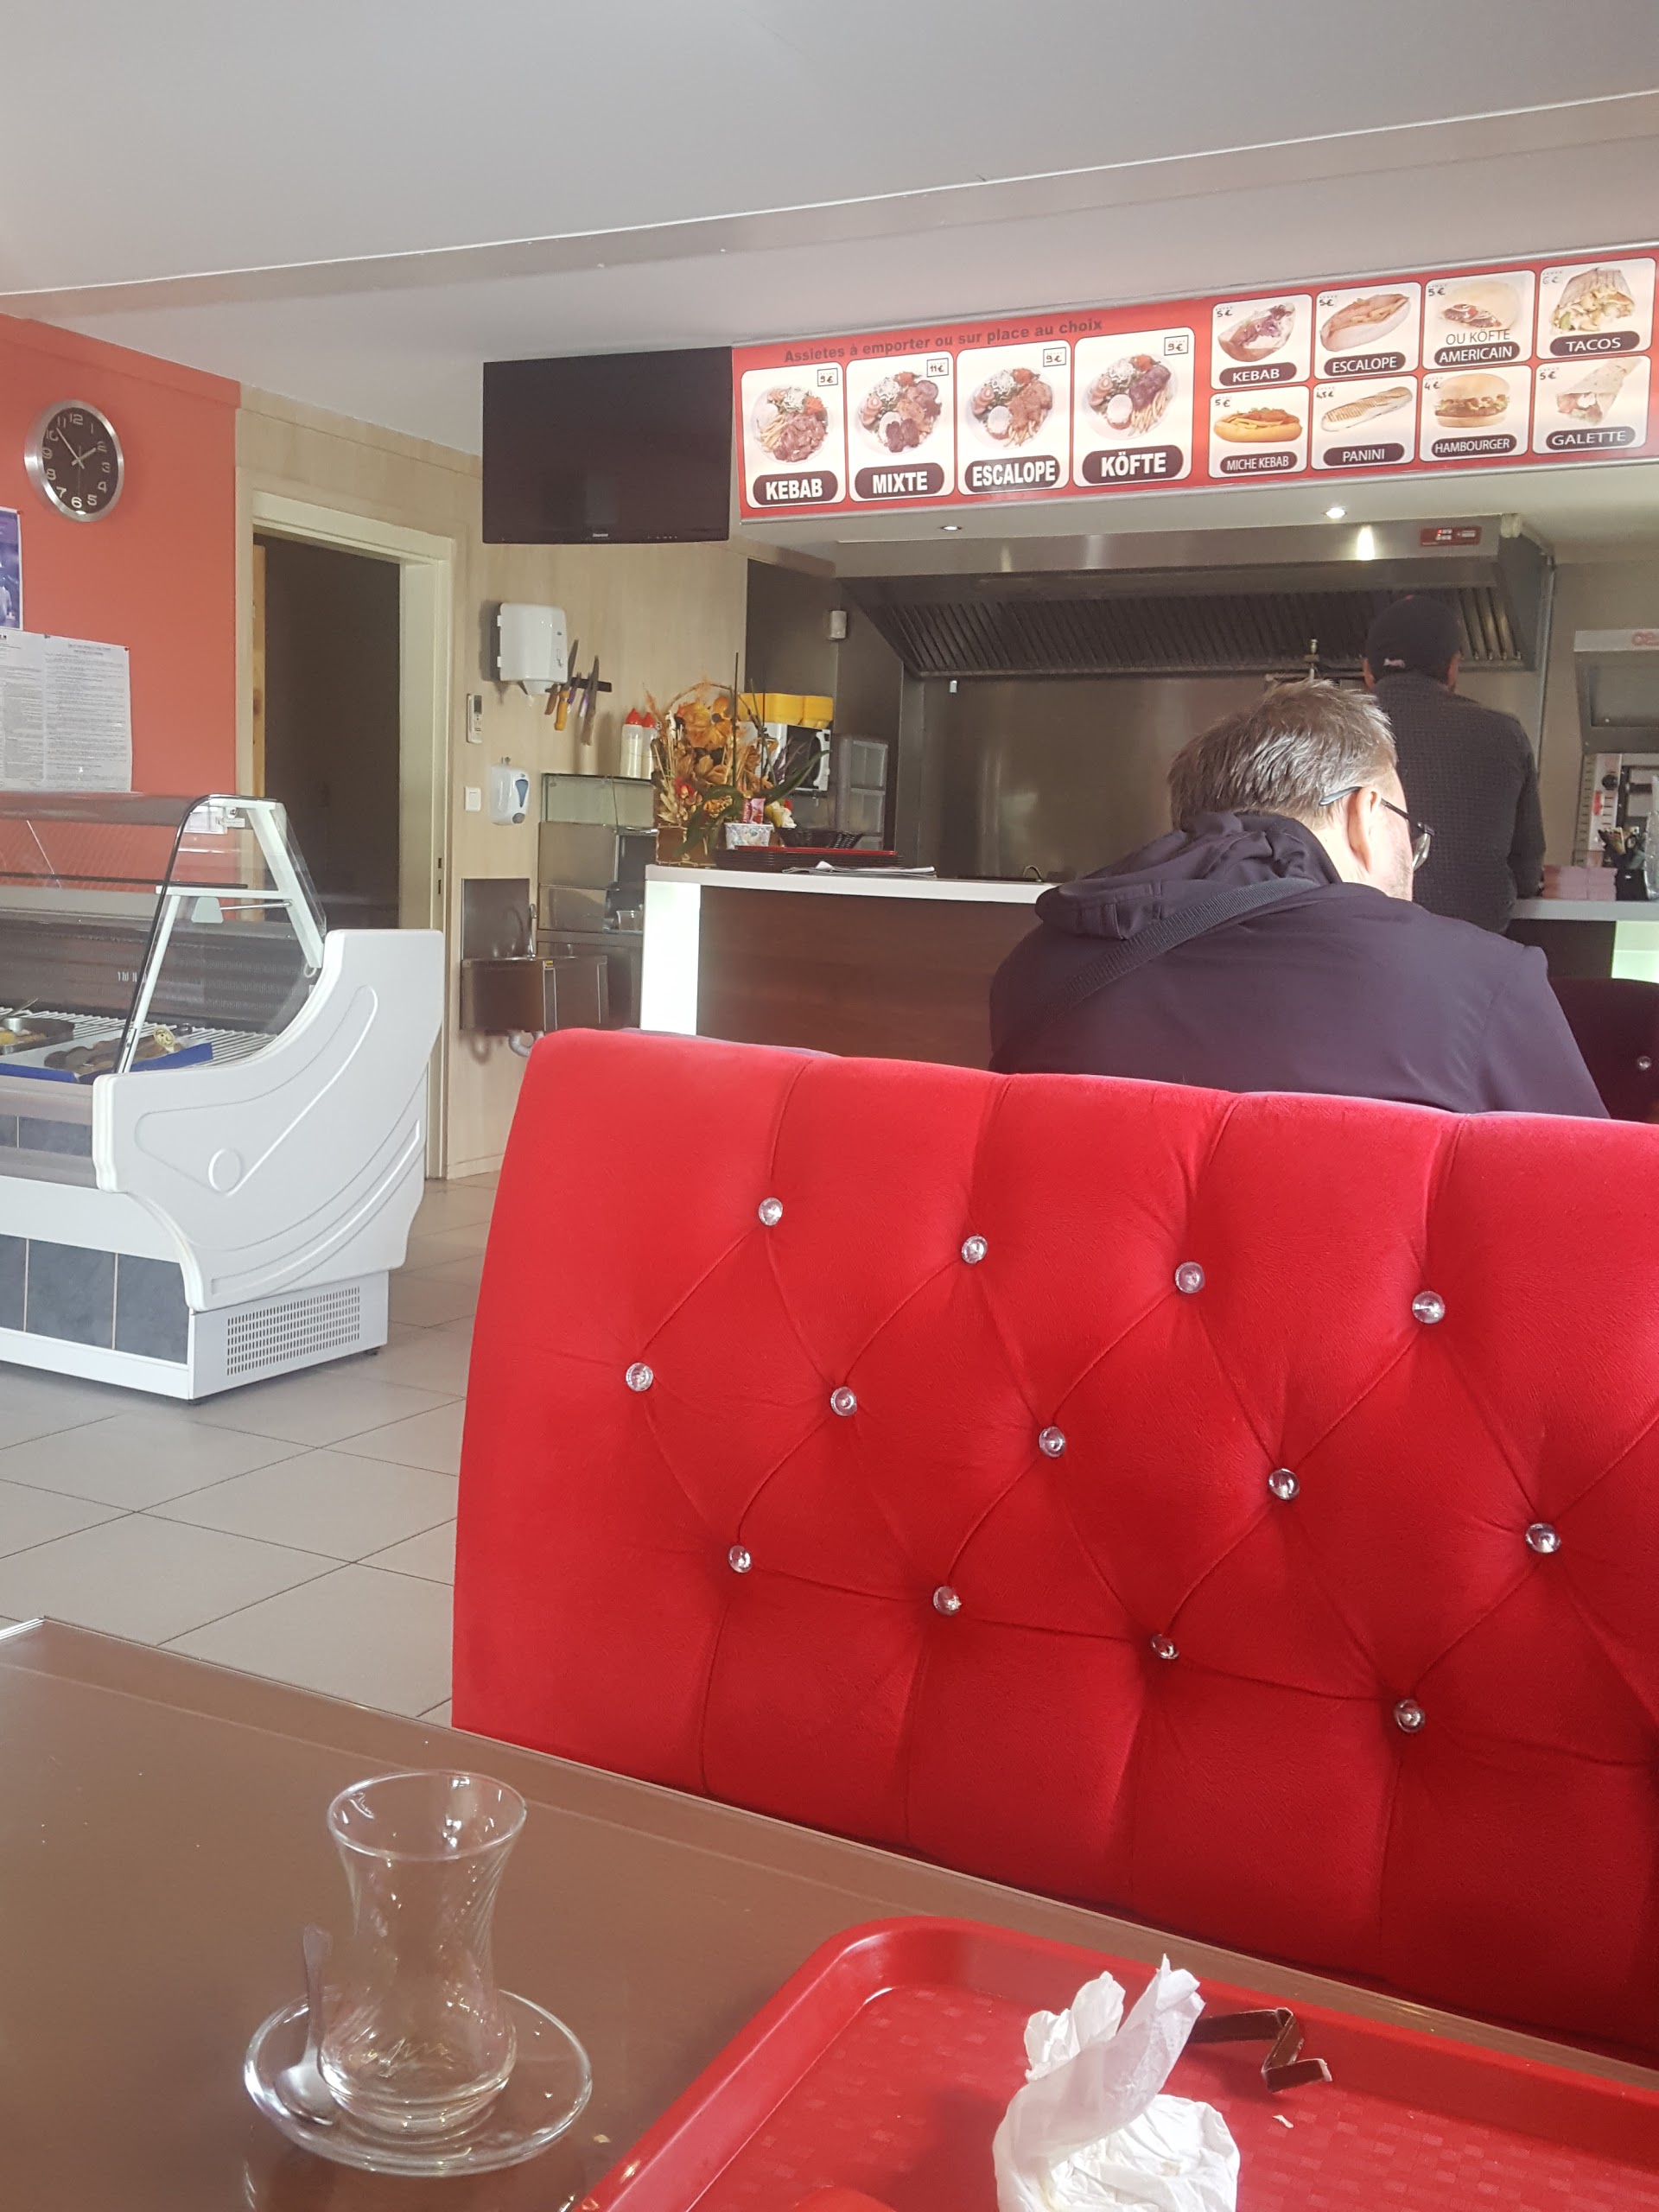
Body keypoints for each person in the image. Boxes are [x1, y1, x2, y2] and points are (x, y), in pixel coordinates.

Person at [988, 681, 1605, 1118]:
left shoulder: (1032, 968)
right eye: (1408, 829)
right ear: (1365, 813)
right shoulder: (1482, 982)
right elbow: (1590, 1203)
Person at [1363, 594, 1544, 932]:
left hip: (1354, 945)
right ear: (1452, 667)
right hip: (1471, 948)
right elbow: (1527, 871)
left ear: (1367, 672)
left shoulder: (1326, 731)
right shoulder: (1504, 733)